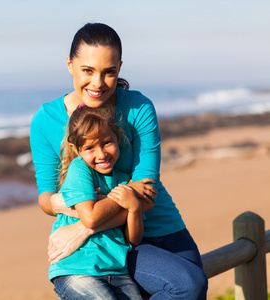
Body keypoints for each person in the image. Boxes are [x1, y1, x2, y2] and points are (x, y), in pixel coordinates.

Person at [30, 22, 208, 299]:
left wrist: (84, 227)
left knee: (192, 287)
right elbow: (46, 197)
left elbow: (147, 191)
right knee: (187, 286)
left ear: (119, 68)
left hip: (162, 228)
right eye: (87, 70)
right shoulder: (46, 120)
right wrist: (58, 203)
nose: (98, 83)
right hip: (113, 243)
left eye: (109, 72)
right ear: (69, 64)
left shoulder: (138, 107)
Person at [50, 104, 147, 300]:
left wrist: (135, 208)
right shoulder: (80, 169)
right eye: (90, 148)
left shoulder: (122, 178)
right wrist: (123, 195)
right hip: (77, 268)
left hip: (117, 270)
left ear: (118, 137)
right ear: (76, 150)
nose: (101, 154)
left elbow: (133, 239)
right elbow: (91, 218)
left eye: (107, 142)